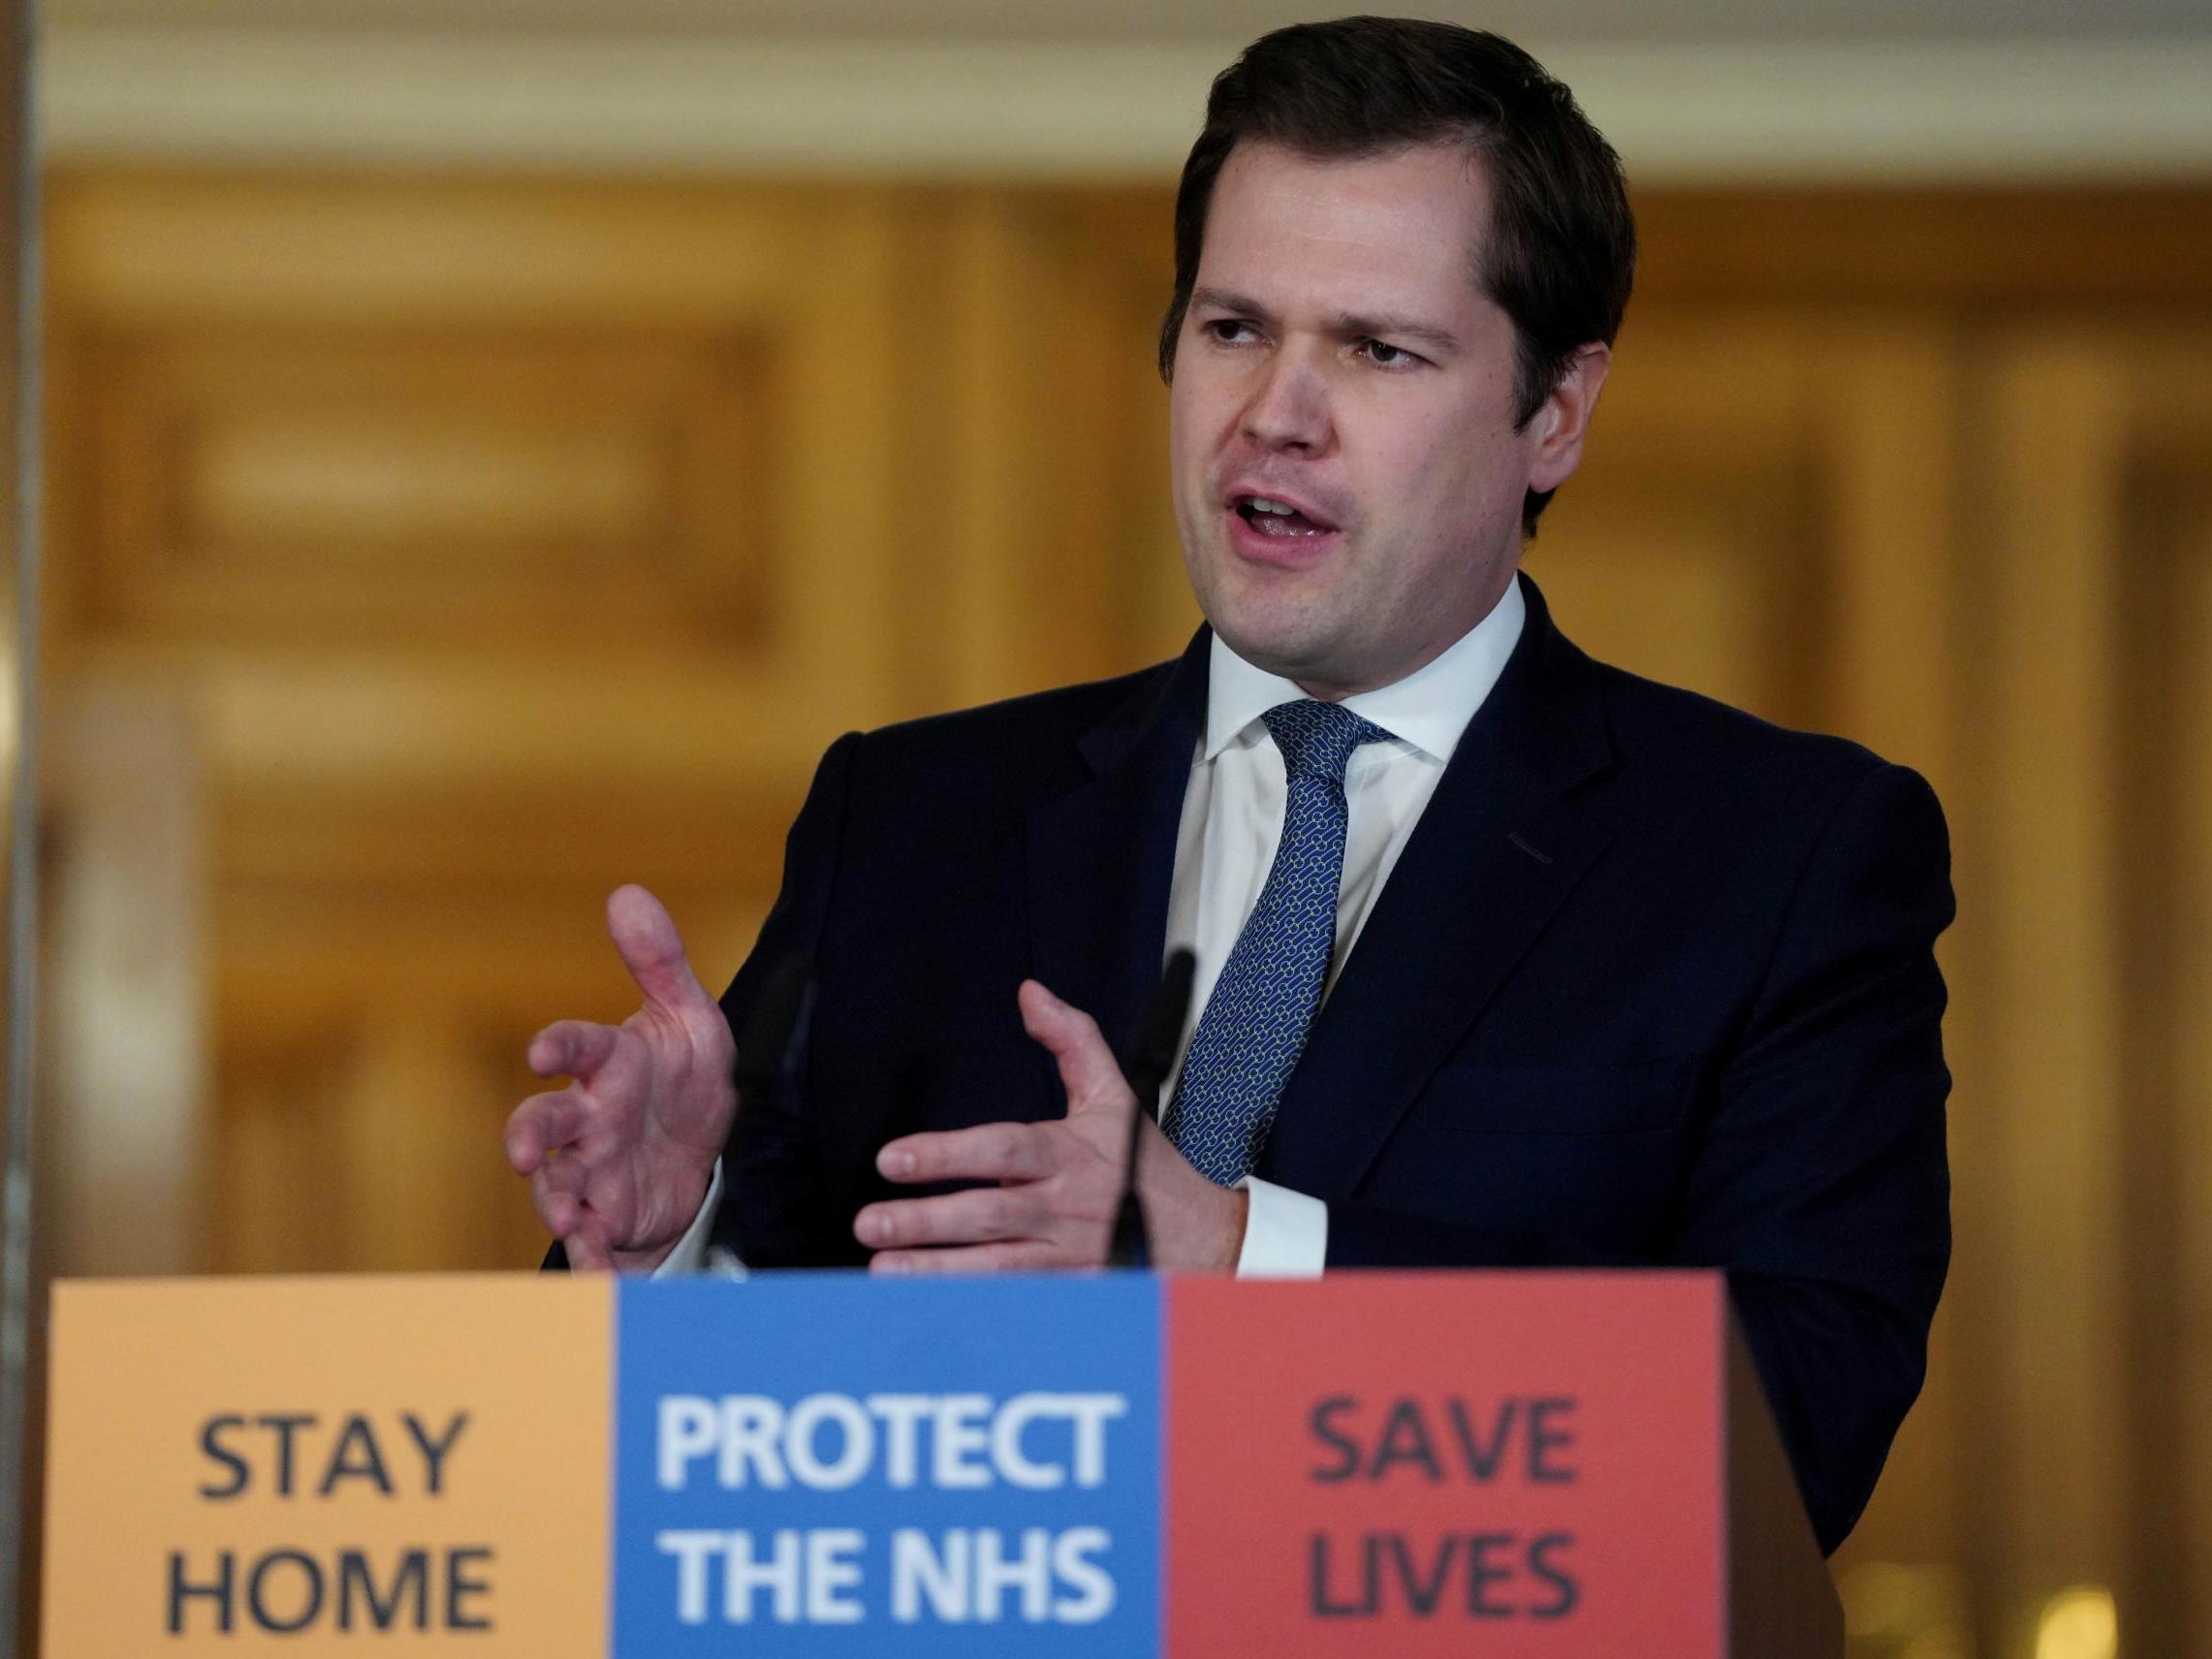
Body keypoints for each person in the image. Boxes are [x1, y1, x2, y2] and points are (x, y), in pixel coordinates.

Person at [504, 16, 1950, 1555]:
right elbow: (731, 1436)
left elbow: (1799, 1413)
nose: (1275, 414)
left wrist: (1244, 1259)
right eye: (1233, 328)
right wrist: (678, 1238)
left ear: (1554, 413)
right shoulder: (915, 817)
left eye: (1378, 350)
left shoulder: (1774, 857)